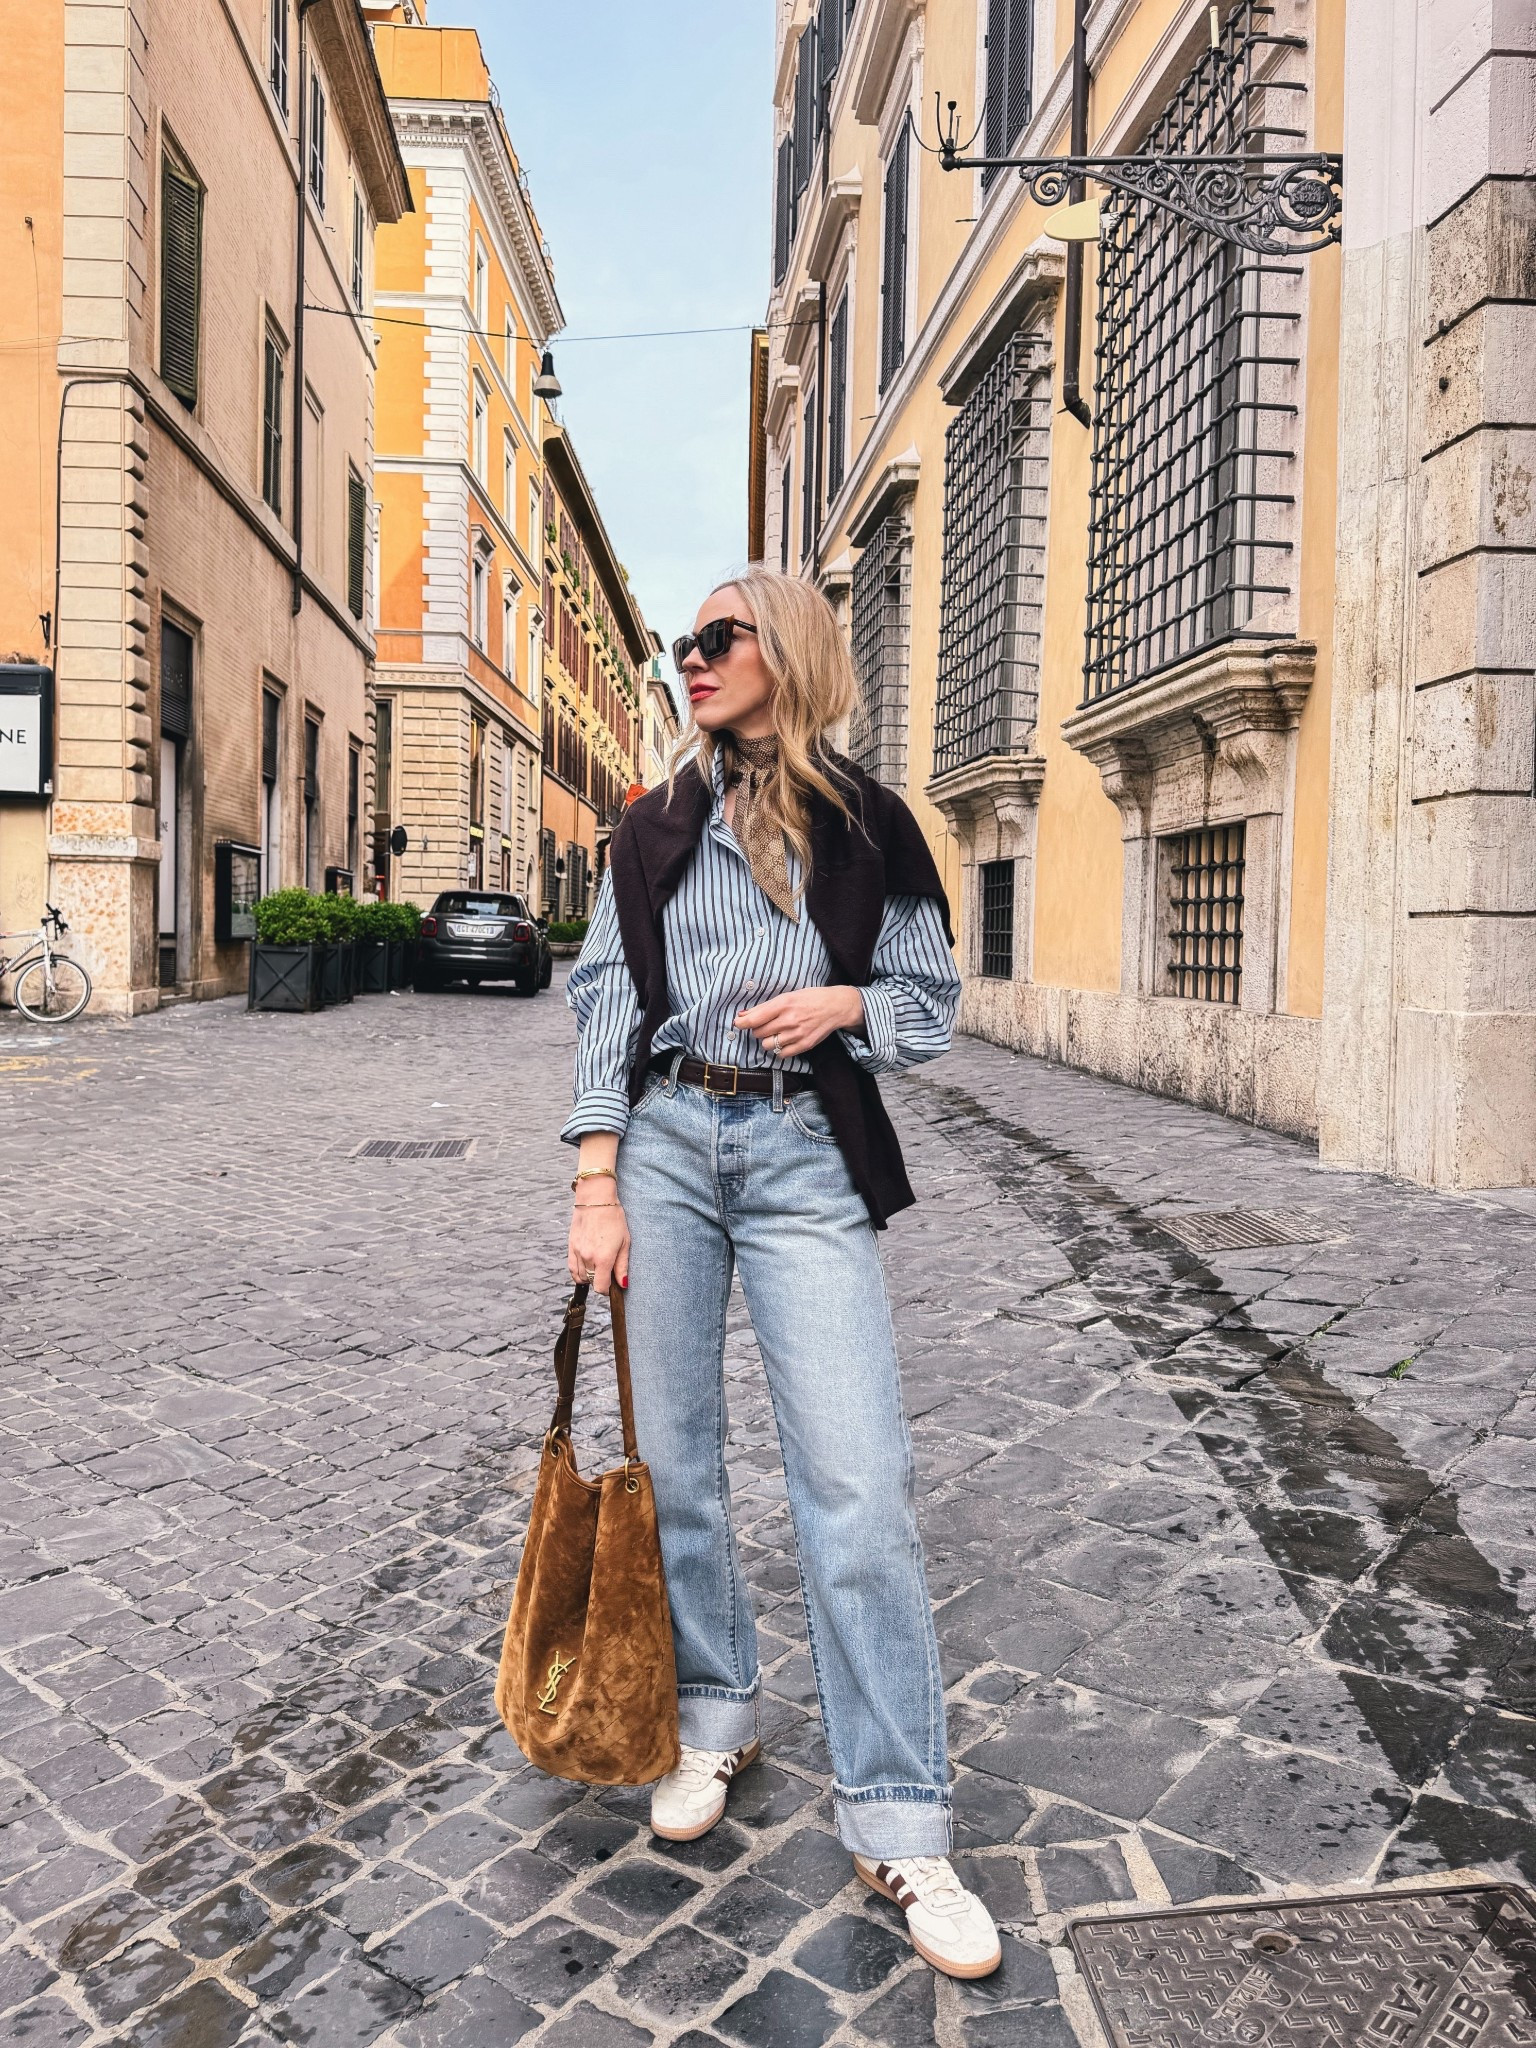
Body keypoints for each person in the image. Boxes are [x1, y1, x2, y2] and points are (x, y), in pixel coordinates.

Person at [561, 568, 1000, 1980]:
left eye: (718, 640)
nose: (691, 661)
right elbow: (603, 1004)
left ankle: (899, 1817)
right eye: (683, 644)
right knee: (678, 1461)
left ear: (787, 651)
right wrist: (594, 1180)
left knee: (859, 1482)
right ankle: (712, 1718)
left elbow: (931, 1008)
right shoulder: (651, 826)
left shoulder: (869, 824)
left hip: (808, 1150)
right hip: (671, 1147)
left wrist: (851, 1002)